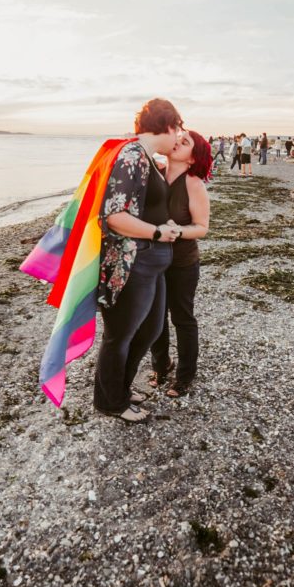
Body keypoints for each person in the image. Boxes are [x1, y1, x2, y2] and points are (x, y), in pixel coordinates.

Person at [94, 98, 185, 423]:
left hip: (149, 264)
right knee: (120, 336)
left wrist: (163, 227)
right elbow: (114, 216)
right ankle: (110, 402)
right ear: (168, 125)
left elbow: (148, 209)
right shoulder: (132, 156)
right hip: (130, 264)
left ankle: (120, 387)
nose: (180, 136)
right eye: (180, 129)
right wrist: (158, 233)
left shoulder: (147, 157)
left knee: (149, 330)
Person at [148, 130, 212, 398]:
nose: (177, 142)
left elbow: (202, 228)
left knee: (182, 319)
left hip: (183, 263)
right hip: (152, 259)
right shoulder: (156, 171)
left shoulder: (194, 184)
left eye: (184, 142)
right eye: (179, 137)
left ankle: (185, 376)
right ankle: (161, 366)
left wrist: (177, 231)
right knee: (155, 318)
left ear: (192, 158)